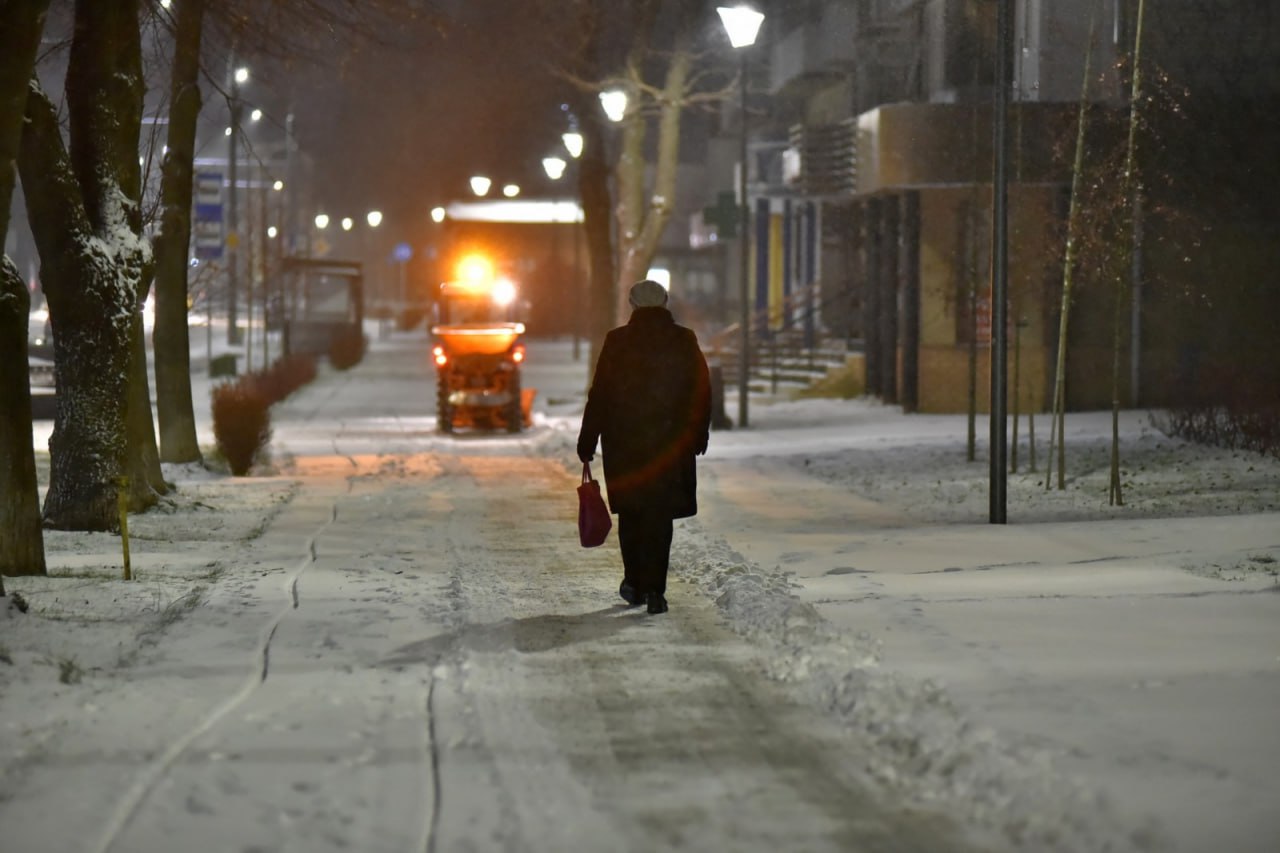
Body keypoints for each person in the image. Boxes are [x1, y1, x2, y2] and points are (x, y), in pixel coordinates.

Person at [577, 280, 712, 615]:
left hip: (626, 443)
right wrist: (698, 433)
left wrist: (588, 438)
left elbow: (602, 393)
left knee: (633, 515)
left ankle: (634, 582)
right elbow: (701, 389)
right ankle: (656, 590)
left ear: (632, 304)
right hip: (669, 442)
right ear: (665, 302)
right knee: (660, 517)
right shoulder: (683, 340)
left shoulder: (618, 341)